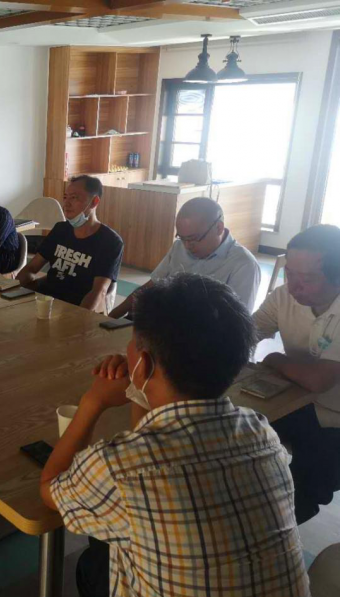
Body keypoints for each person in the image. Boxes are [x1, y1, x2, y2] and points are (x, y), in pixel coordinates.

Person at [40, 273, 308, 597]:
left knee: (94, 563)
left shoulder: (120, 467)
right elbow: (153, 436)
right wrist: (141, 386)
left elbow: (50, 491)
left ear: (144, 362)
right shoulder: (260, 430)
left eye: (133, 344)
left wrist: (92, 402)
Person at [254, 224, 340, 524]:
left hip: (335, 419)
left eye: (307, 279)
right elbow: (246, 333)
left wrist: (275, 359)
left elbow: (319, 380)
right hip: (296, 400)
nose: (293, 286)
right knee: (237, 437)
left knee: (304, 486)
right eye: (289, 273)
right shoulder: (284, 297)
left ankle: (275, 531)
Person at [110, 196, 260, 319]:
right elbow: (151, 286)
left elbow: (237, 323)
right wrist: (112, 316)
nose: (187, 246)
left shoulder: (243, 264)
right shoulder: (179, 247)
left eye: (194, 239)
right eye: (182, 238)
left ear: (218, 228)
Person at [17, 175, 123, 312]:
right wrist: (13, 290)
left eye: (74, 198)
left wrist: (77, 319)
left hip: (76, 308)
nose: (66, 204)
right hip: (47, 302)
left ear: (94, 202)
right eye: (65, 197)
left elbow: (99, 291)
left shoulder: (110, 242)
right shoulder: (61, 229)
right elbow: (32, 268)